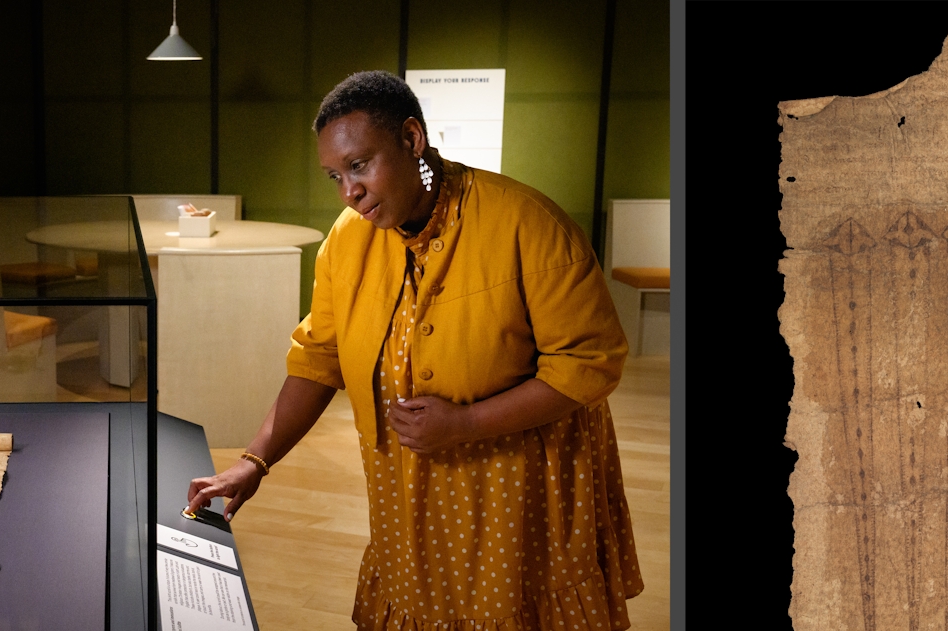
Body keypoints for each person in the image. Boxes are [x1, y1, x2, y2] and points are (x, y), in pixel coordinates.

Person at [187, 70, 642, 630]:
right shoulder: (346, 242)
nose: (348, 191)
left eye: (359, 166)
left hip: (517, 496)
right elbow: (318, 359)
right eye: (334, 175)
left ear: (411, 138)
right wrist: (253, 462)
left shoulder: (528, 223)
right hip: (405, 498)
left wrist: (467, 422)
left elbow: (588, 366)